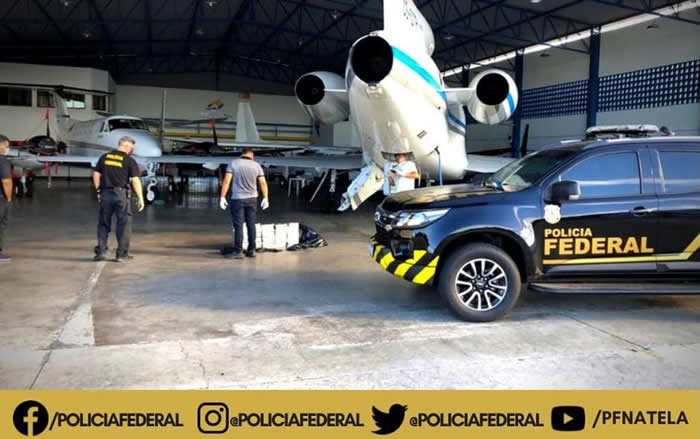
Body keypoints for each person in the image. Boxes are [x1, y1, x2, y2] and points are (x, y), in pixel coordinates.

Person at [92, 136, 145, 262]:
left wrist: (98, 191)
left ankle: (101, 252)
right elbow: (135, 180)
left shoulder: (104, 157)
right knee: (124, 224)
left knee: (103, 223)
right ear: (127, 147)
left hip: (105, 194)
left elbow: (96, 174)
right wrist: (141, 198)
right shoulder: (129, 160)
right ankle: (121, 254)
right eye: (132, 149)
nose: (132, 151)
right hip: (121, 195)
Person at [219, 148, 269, 259]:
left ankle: (238, 251)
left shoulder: (233, 163)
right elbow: (263, 183)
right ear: (252, 155)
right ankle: (252, 250)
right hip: (252, 199)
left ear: (242, 154)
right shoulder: (256, 165)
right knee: (251, 224)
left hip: (238, 199)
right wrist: (266, 198)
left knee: (238, 226)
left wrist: (222, 197)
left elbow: (226, 181)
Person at [0, 135, 13, 262]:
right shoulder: (2, 161)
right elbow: (6, 182)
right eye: (6, 146)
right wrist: (8, 197)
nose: (7, 149)